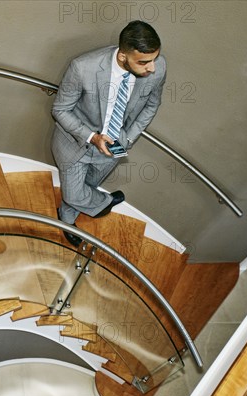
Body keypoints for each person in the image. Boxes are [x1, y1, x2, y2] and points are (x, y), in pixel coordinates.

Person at [51, 20, 166, 247]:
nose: (151, 68)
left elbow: (151, 106)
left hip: (115, 145)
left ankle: (67, 218)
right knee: (74, 194)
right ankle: (102, 203)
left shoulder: (158, 67)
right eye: (143, 62)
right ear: (123, 56)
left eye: (154, 59)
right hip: (77, 144)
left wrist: (128, 139)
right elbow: (59, 110)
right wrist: (93, 137)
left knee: (89, 185)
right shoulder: (83, 68)